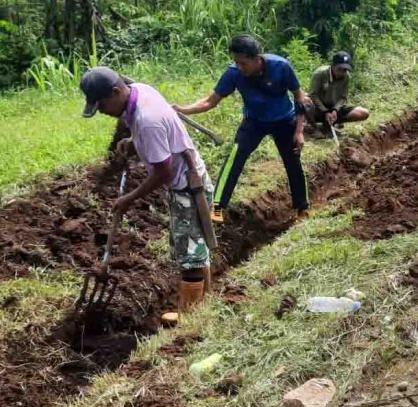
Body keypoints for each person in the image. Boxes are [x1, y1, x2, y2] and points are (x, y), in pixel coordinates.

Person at [81, 68, 216, 321]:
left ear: (116, 92)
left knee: (190, 254)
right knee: (196, 247)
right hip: (188, 179)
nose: (102, 111)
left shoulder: (147, 120)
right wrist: (135, 143)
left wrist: (129, 199)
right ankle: (205, 304)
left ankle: (191, 319)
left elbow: (163, 172)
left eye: (102, 105)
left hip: (187, 188)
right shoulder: (140, 90)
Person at [176, 35, 310, 222]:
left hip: (283, 119)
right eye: (236, 62)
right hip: (254, 121)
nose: (239, 67)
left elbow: (299, 96)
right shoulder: (233, 73)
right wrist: (183, 109)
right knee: (234, 159)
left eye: (243, 63)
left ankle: (302, 207)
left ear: (257, 58)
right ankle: (217, 207)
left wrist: (299, 131)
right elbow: (210, 101)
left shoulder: (281, 67)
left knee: (293, 161)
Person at [307, 51, 369, 136]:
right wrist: (325, 111)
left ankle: (333, 122)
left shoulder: (346, 76)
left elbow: (343, 97)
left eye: (345, 70)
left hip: (335, 108)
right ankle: (315, 128)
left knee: (363, 113)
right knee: (305, 103)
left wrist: (335, 110)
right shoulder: (320, 73)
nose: (342, 72)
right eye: (339, 69)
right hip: (319, 108)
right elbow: (312, 95)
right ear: (333, 66)